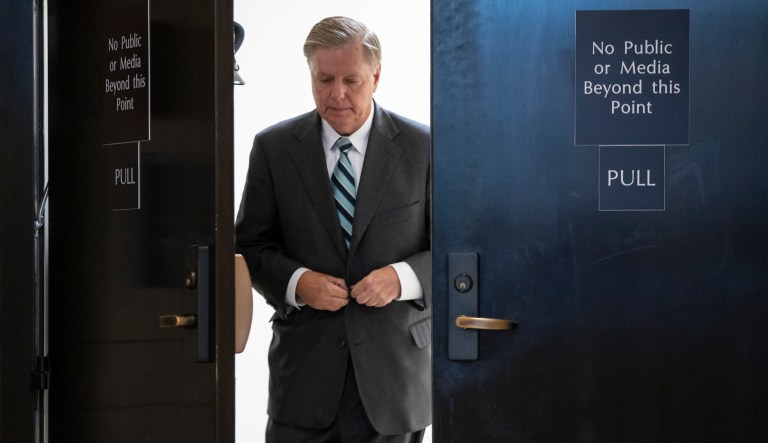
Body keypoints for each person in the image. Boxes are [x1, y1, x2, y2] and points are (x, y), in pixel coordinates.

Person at [235, 16, 431, 443]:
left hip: (394, 387)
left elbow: (458, 248)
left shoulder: (425, 148)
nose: (337, 94)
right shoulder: (273, 149)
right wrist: (297, 283)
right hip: (303, 384)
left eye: (351, 80)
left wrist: (401, 279)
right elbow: (249, 245)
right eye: (324, 79)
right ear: (310, 74)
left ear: (376, 76)